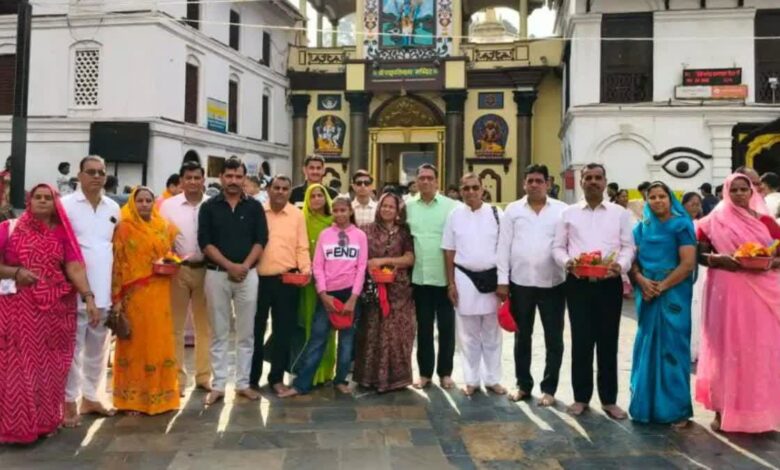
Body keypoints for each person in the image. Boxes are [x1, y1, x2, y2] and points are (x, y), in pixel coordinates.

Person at [0, 184, 96, 443]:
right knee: (20, 367)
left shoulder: (63, 233)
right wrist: (15, 272)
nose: (42, 201)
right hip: (18, 309)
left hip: (56, 311)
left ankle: (46, 422)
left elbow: (74, 268)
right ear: (29, 201)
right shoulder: (10, 228)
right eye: (37, 197)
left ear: (56, 204)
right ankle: (19, 427)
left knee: (51, 368)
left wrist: (88, 297)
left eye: (48, 198)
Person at [695, 173, 780, 433]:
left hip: (760, 292)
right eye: (734, 190)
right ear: (726, 192)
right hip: (726, 289)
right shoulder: (712, 221)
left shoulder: (766, 222)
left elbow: (778, 255)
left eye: (744, 189)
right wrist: (719, 260)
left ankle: (759, 412)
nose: (740, 194)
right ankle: (722, 410)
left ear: (753, 191)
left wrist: (768, 262)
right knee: (725, 347)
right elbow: (700, 255)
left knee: (758, 349)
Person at [552, 163, 635, 420]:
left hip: (609, 283)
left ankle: (609, 400)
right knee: (581, 341)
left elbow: (628, 247)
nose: (593, 182)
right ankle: (581, 398)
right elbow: (557, 247)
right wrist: (567, 262)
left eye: (598, 177)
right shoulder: (568, 213)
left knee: (608, 341)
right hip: (578, 283)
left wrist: (620, 266)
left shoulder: (620, 213)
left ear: (605, 182)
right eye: (588, 177)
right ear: (581, 182)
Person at [279, 197, 368, 397]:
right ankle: (301, 385)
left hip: (350, 295)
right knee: (317, 341)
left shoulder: (360, 236)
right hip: (327, 295)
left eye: (343, 210)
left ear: (350, 211)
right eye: (336, 210)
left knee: (346, 343)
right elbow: (318, 266)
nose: (340, 214)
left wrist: (353, 298)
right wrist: (323, 293)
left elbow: (361, 267)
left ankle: (341, 380)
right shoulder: (325, 235)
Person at [198, 157, 268, 405]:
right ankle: (218, 385)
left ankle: (242, 383)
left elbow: (261, 240)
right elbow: (205, 242)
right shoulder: (209, 207)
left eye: (238, 176)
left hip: (248, 275)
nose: (233, 181)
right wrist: (229, 266)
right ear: (221, 177)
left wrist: (244, 266)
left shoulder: (254, 207)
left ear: (244, 178)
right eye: (229, 176)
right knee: (219, 331)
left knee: (246, 332)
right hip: (217, 274)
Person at [497, 165, 567, 406]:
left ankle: (549, 388)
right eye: (530, 181)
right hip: (521, 283)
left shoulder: (561, 210)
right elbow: (503, 246)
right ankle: (523, 385)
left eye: (539, 180)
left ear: (548, 183)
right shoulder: (513, 210)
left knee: (554, 338)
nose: (534, 185)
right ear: (524, 184)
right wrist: (502, 281)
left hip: (553, 283)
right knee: (522, 337)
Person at [628, 182, 696, 427]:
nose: (658, 201)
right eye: (653, 197)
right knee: (646, 346)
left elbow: (687, 263)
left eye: (662, 196)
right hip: (646, 291)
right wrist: (641, 280)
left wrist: (661, 287)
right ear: (647, 201)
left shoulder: (682, 225)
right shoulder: (641, 228)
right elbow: (632, 261)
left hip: (673, 292)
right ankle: (645, 407)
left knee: (673, 349)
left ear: (670, 199)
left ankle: (677, 411)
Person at [62, 155, 121, 426]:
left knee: (99, 348)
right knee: (73, 350)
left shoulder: (113, 207)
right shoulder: (65, 206)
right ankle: (69, 401)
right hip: (74, 292)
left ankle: (92, 397)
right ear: (80, 175)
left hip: (104, 290)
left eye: (101, 172)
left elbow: (114, 248)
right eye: (91, 172)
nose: (97, 176)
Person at [111, 187, 180, 415]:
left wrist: (171, 261)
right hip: (135, 294)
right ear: (132, 203)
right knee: (136, 345)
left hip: (160, 291)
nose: (144, 204)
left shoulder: (163, 226)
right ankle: (132, 400)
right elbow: (118, 262)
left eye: (148, 200)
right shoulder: (124, 228)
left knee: (159, 342)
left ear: (153, 203)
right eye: (139, 200)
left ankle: (162, 396)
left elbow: (170, 252)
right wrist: (116, 296)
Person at [442, 174, 504, 396]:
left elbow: (505, 248)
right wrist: (451, 283)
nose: (470, 192)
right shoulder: (455, 215)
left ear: (482, 189)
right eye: (466, 188)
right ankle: (471, 380)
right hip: (464, 276)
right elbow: (449, 250)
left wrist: (504, 282)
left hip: (492, 277)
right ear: (460, 191)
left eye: (474, 187)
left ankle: (493, 379)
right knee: (467, 333)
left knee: (492, 331)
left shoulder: (497, 213)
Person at [250, 175, 311, 394]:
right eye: (276, 187)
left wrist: (305, 269)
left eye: (285, 188)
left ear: (289, 192)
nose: (280, 192)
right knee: (255, 330)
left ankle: (276, 378)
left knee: (283, 331)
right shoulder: (257, 212)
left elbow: (302, 246)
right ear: (268, 189)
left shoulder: (297, 215)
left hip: (287, 280)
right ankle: (251, 379)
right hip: (258, 280)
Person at [354, 192, 416, 393]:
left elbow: (409, 258)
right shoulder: (365, 230)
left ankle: (397, 379)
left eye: (391, 206)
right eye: (384, 206)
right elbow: (359, 257)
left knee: (398, 335)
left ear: (398, 211)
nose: (387, 209)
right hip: (373, 290)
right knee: (372, 331)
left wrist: (384, 261)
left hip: (399, 292)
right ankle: (369, 378)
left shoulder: (404, 232)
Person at [160, 161, 211, 395]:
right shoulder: (168, 206)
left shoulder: (212, 204)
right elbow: (160, 237)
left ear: (203, 180)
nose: (192, 182)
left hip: (206, 270)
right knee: (175, 327)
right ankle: (177, 379)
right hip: (177, 271)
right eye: (188, 178)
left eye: (196, 177)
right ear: (181, 181)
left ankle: (203, 377)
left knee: (205, 327)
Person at [406, 164, 459, 389]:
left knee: (447, 328)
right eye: (422, 178)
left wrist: (454, 280)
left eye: (430, 178)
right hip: (419, 278)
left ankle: (445, 373)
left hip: (445, 278)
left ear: (437, 181)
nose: (425, 181)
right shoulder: (408, 206)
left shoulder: (452, 207)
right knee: (424, 329)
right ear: (416, 181)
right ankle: (425, 373)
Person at [296, 184, 337, 385]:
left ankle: (326, 370)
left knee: (328, 327)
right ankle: (307, 370)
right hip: (307, 282)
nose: (317, 199)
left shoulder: (333, 222)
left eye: (321, 195)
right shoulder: (301, 220)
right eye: (312, 196)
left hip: (330, 281)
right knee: (308, 323)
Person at [682, 192, 705, 362]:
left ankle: (695, 347)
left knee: (697, 307)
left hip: (699, 270)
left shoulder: (700, 224)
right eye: (692, 203)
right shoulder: (679, 224)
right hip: (683, 269)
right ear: (683, 205)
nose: (695, 207)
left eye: (698, 204)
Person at [0, 156, 12, 221]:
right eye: (8, 162)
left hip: (11, 196)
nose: (9, 164)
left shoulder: (18, 175)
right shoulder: (2, 174)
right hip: (3, 195)